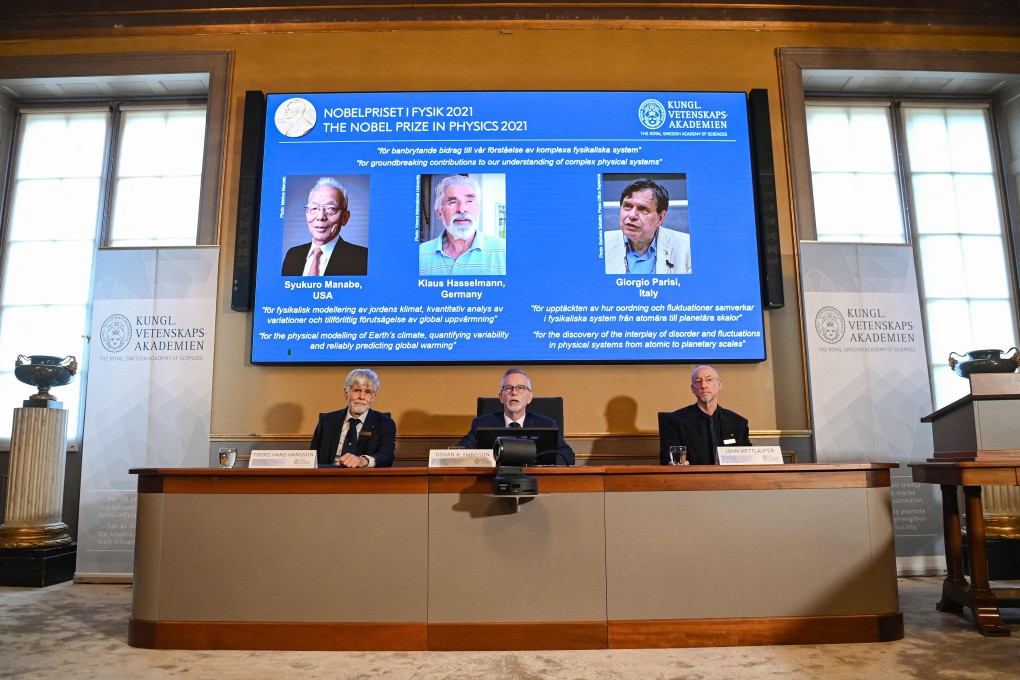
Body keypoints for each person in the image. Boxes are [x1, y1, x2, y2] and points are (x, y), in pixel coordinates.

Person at [458, 368, 574, 465]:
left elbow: (568, 456)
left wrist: (533, 463)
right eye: (508, 388)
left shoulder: (546, 425)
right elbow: (461, 453)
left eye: (521, 388)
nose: (514, 392)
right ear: (501, 397)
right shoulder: (481, 424)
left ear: (529, 397)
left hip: (534, 481)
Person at [659, 365, 750, 465]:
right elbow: (669, 459)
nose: (703, 385)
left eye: (709, 380)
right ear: (692, 388)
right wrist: (675, 463)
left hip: (731, 479)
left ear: (719, 385)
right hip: (692, 479)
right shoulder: (676, 421)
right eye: (698, 381)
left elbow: (748, 460)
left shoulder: (738, 423)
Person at [419, 175, 506, 275]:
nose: (462, 209)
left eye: (469, 201)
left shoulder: (504, 251)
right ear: (439, 212)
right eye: (452, 202)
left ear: (478, 209)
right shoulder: (420, 255)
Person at [282, 177, 368, 276]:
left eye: (331, 208)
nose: (321, 217)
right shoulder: (292, 255)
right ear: (307, 214)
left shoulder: (363, 258)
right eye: (314, 208)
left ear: (345, 217)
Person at [605, 177, 691, 275]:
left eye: (643, 209)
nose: (632, 215)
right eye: (627, 206)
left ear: (660, 218)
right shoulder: (602, 244)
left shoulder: (687, 247)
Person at [311, 368, 396, 467]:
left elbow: (386, 457)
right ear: (346, 393)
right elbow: (313, 457)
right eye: (357, 390)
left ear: (373, 397)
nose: (362, 397)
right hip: (328, 478)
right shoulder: (327, 421)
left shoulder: (385, 423)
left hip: (365, 480)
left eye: (368, 392)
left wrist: (363, 460)